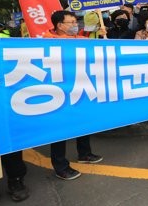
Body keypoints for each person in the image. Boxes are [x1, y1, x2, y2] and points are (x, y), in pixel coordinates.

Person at [42, 10, 104, 180]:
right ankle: (60, 166)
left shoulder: (80, 39)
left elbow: (99, 50)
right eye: (71, 22)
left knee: (83, 121)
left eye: (76, 21)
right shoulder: (47, 42)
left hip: (80, 88)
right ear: (59, 25)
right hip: (60, 92)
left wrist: (103, 38)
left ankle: (84, 153)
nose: (76, 24)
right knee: (60, 129)